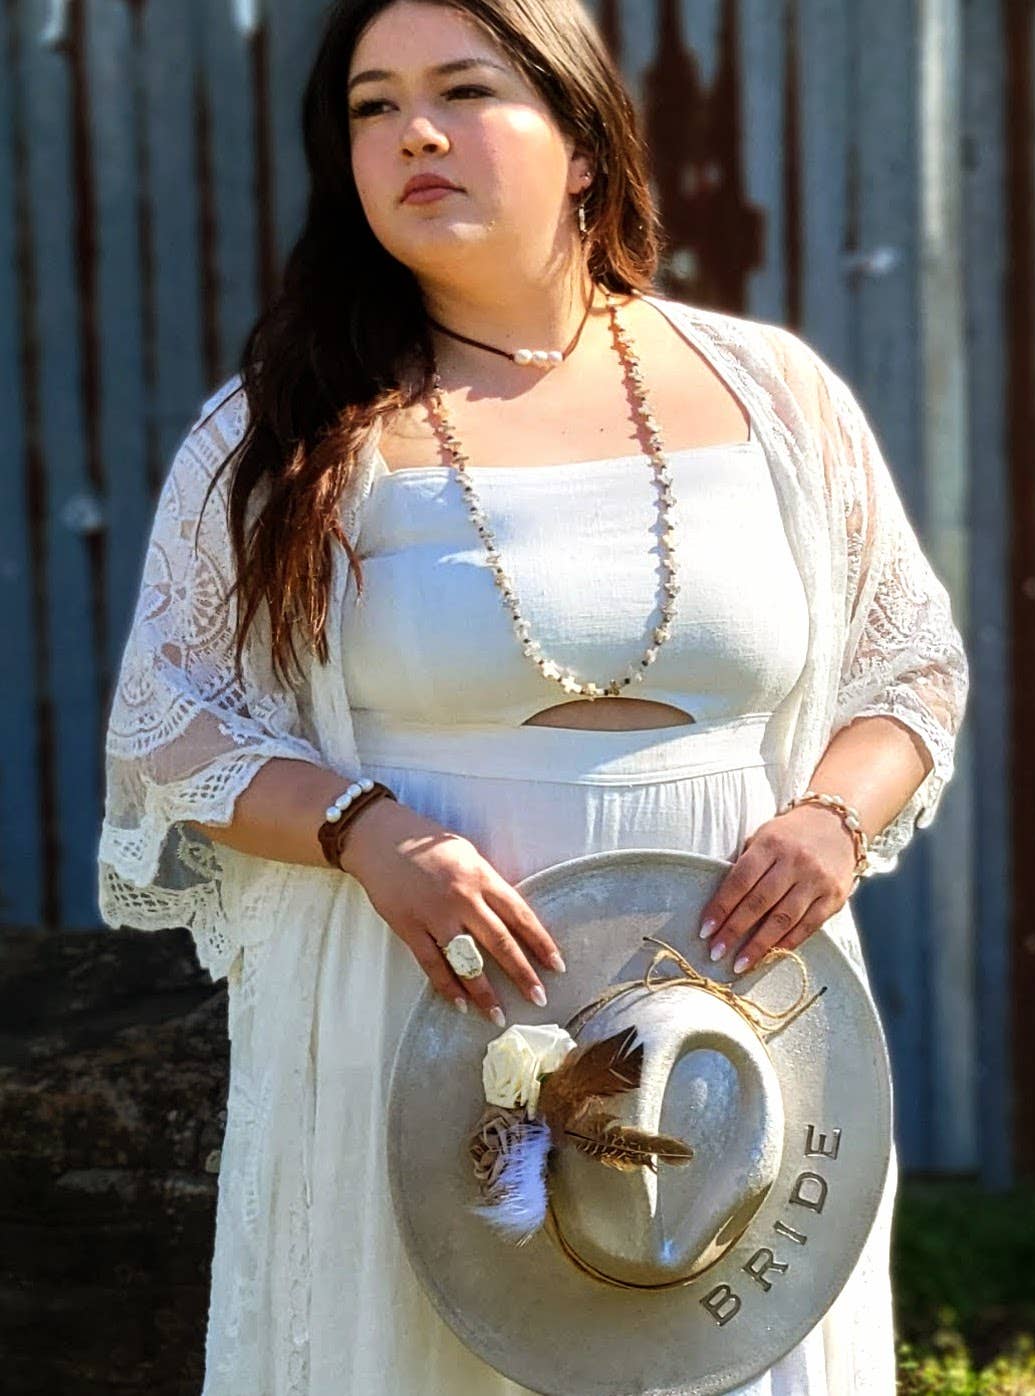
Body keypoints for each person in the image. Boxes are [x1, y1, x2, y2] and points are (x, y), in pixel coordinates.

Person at [96, 1, 969, 1392]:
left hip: (727, 1012)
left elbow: (907, 665)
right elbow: (166, 730)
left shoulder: (772, 396)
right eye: (373, 106)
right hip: (416, 1013)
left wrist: (831, 820)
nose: (414, 134)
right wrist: (363, 831)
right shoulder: (282, 429)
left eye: (463, 90)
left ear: (583, 143)